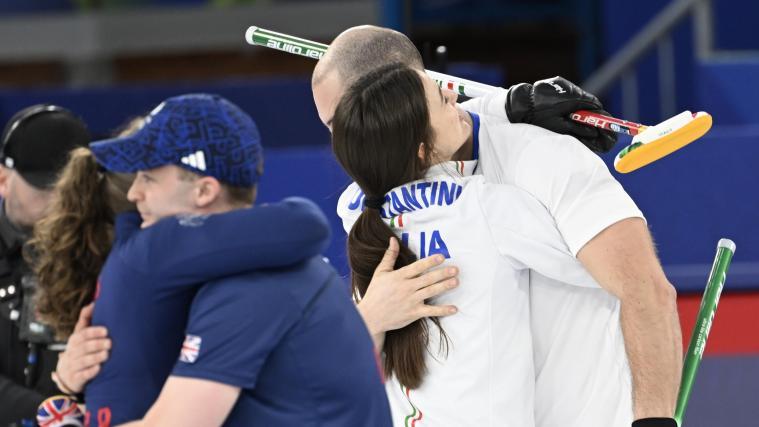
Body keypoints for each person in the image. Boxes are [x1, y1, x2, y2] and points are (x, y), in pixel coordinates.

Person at [314, 26, 681, 427]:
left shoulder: (543, 156)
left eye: (341, 120)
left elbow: (643, 288)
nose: (342, 142)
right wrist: (369, 317)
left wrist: (653, 420)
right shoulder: (366, 206)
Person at [47, 94, 391, 426]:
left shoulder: (252, 288)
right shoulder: (245, 269)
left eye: (148, 178)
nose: (135, 194)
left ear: (204, 192)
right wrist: (72, 384)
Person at [0, 105, 90, 425]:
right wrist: (49, 415)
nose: (59, 202)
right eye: (45, 187)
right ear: (3, 180)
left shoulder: (107, 249)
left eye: (70, 187)